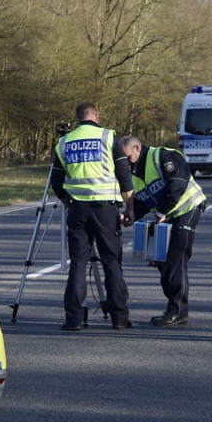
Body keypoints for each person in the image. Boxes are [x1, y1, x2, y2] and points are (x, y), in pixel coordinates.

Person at [49, 102, 135, 332]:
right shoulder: (108, 137)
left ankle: (74, 319)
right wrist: (129, 207)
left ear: (77, 119)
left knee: (78, 262)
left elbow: (56, 180)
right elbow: (123, 173)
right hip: (105, 209)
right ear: (96, 115)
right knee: (111, 262)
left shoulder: (64, 142)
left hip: (77, 209)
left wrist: (68, 201)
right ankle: (119, 318)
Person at [118, 136, 207, 326]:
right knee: (161, 260)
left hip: (188, 208)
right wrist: (132, 214)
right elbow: (142, 200)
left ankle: (178, 311)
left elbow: (178, 185)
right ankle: (174, 306)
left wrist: (161, 211)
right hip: (166, 214)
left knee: (176, 258)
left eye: (126, 156)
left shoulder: (163, 156)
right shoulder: (132, 172)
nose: (124, 161)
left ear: (136, 148)